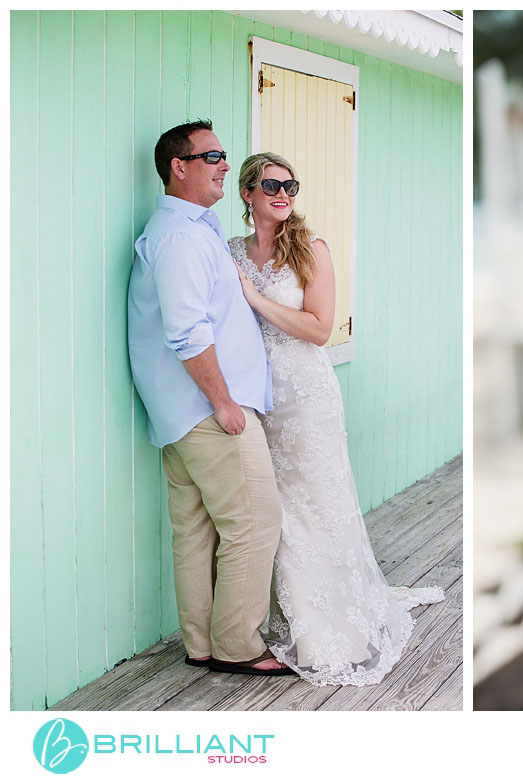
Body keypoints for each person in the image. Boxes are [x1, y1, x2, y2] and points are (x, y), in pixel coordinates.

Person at [228, 152, 445, 686]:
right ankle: (289, 615)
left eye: (291, 185)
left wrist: (253, 297)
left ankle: (332, 629)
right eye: (271, 185)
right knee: (275, 509)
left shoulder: (309, 248)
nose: (283, 193)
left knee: (317, 504)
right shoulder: (230, 251)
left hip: (305, 396)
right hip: (257, 397)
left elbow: (319, 328)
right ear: (247, 194)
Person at [128, 120, 290, 676]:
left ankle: (200, 644)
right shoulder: (178, 236)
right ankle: (238, 646)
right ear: (179, 166)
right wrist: (223, 403)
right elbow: (187, 332)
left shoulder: (192, 227)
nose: (225, 164)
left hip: (182, 412)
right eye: (213, 155)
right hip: (206, 410)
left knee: (196, 528)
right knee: (255, 522)